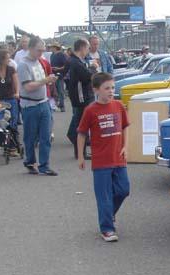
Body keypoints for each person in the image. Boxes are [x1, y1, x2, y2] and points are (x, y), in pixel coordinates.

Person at [77, 72, 130, 242]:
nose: (111, 91)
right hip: (101, 161)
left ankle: (108, 214)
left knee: (123, 190)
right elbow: (81, 134)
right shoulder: (90, 110)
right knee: (104, 197)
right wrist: (81, 156)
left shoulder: (118, 106)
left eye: (112, 87)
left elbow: (125, 126)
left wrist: (126, 146)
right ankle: (107, 229)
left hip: (118, 158)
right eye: (106, 88)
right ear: (96, 90)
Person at [17, 36, 58, 175]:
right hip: (30, 105)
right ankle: (30, 161)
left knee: (46, 136)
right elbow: (28, 86)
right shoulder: (23, 64)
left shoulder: (39, 61)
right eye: (39, 50)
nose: (41, 53)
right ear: (30, 48)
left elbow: (40, 81)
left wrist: (48, 81)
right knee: (30, 137)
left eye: (43, 50)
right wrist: (46, 80)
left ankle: (44, 165)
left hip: (43, 102)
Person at [67, 38, 96, 159]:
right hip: (81, 98)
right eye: (88, 48)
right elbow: (87, 76)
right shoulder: (76, 62)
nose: (88, 50)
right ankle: (80, 153)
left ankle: (80, 149)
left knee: (79, 123)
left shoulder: (77, 61)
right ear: (82, 47)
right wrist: (93, 68)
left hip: (81, 96)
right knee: (81, 125)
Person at [0, 49, 19, 149]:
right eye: (7, 58)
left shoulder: (11, 69)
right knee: (0, 120)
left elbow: (16, 82)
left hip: (11, 98)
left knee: (13, 120)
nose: (9, 60)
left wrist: (17, 93)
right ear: (1, 60)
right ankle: (1, 141)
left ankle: (13, 144)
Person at [49, 43, 67, 112]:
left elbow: (66, 65)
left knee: (60, 91)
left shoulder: (61, 55)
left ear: (55, 47)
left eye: (52, 47)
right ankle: (54, 105)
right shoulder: (52, 55)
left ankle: (62, 106)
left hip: (59, 75)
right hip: (53, 75)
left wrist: (58, 68)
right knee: (53, 91)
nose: (51, 48)